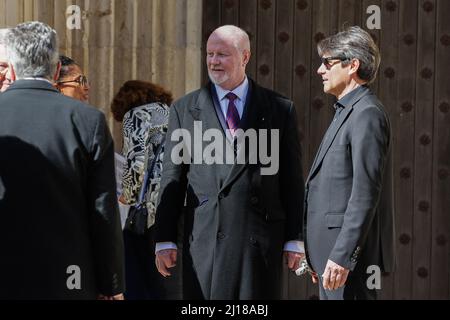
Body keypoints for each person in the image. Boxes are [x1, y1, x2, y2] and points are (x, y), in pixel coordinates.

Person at [154, 25, 304, 300]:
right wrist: (163, 238)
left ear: (245, 57)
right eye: (210, 54)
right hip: (206, 239)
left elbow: (292, 179)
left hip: (257, 240)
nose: (213, 61)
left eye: (222, 54)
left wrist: (295, 237)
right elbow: (172, 176)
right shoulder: (185, 109)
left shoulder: (279, 108)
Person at [0, 21, 125, 300]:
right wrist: (111, 285)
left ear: (12, 68)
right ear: (56, 69)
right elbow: (103, 209)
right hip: (69, 275)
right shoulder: (87, 119)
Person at [303, 26, 395, 300]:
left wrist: (342, 256)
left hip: (347, 264)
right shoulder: (348, 110)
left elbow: (365, 194)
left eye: (327, 62)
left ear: (352, 64)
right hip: (330, 259)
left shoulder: (367, 114)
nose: (320, 70)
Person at [111, 80, 172, 300]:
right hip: (177, 208)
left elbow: (135, 162)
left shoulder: (137, 115)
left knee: (138, 275)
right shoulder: (174, 113)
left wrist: (125, 196)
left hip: (151, 212)